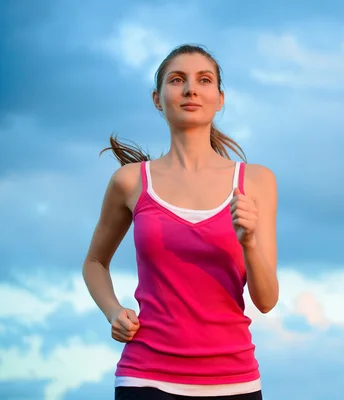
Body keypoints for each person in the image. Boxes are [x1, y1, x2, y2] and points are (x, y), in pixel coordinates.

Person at [82, 44, 279, 400]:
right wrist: (113, 311)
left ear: (220, 98)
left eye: (204, 80)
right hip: (145, 378)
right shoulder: (130, 181)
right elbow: (95, 262)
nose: (190, 89)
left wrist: (248, 241)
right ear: (158, 99)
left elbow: (266, 300)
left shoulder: (256, 181)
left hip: (235, 380)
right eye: (177, 80)